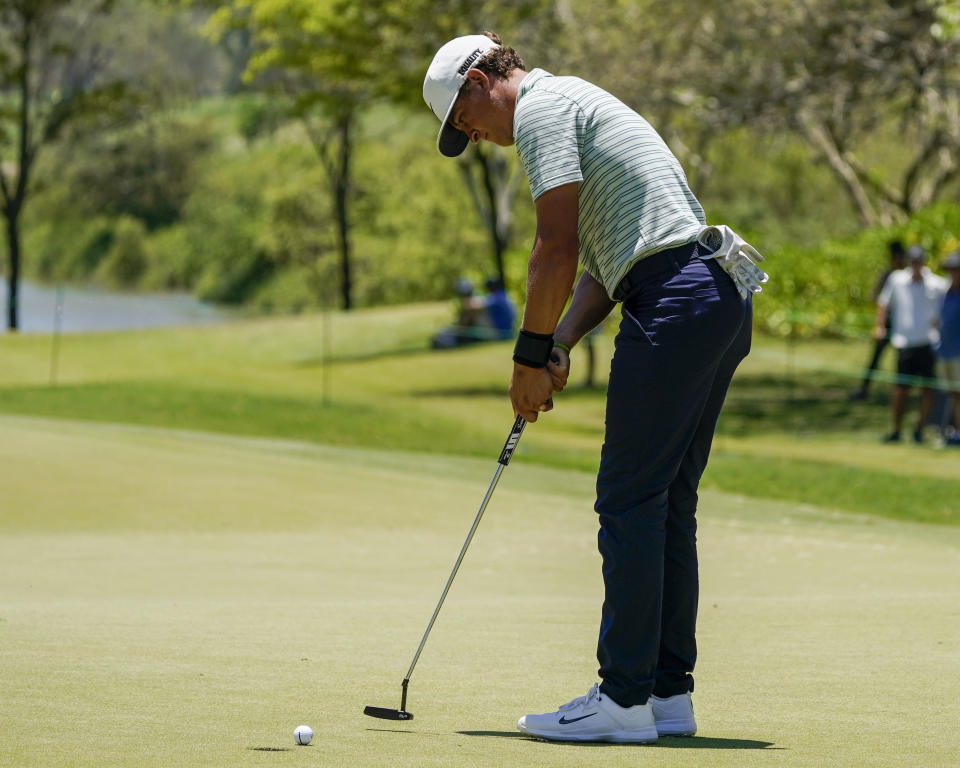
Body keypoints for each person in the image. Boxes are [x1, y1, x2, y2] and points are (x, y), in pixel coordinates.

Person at [423, 33, 766, 743]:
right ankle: (666, 696)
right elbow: (610, 261)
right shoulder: (577, 101)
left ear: (484, 79)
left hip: (675, 297)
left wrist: (524, 359)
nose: (477, 137)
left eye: (465, 119)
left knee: (630, 499)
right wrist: (559, 342)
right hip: (713, 294)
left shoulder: (544, 111)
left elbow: (555, 247)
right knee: (666, 502)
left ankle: (622, 699)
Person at [876, 245, 947, 443]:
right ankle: (896, 430)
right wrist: (879, 326)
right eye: (913, 261)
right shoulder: (897, 279)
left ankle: (919, 430)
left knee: (927, 389)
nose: (916, 265)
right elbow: (883, 303)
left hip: (928, 343)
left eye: (919, 261)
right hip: (904, 342)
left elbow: (950, 301)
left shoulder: (936, 283)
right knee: (900, 389)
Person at [850, 241, 906, 400]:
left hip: (903, 325)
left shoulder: (906, 276)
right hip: (888, 323)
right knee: (876, 357)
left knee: (902, 361)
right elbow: (876, 298)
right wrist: (880, 324)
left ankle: (900, 392)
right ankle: (864, 389)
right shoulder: (887, 275)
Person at [936, 250, 960, 444]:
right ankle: (955, 431)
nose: (953, 272)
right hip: (945, 351)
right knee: (953, 395)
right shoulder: (945, 293)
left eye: (956, 269)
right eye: (951, 269)